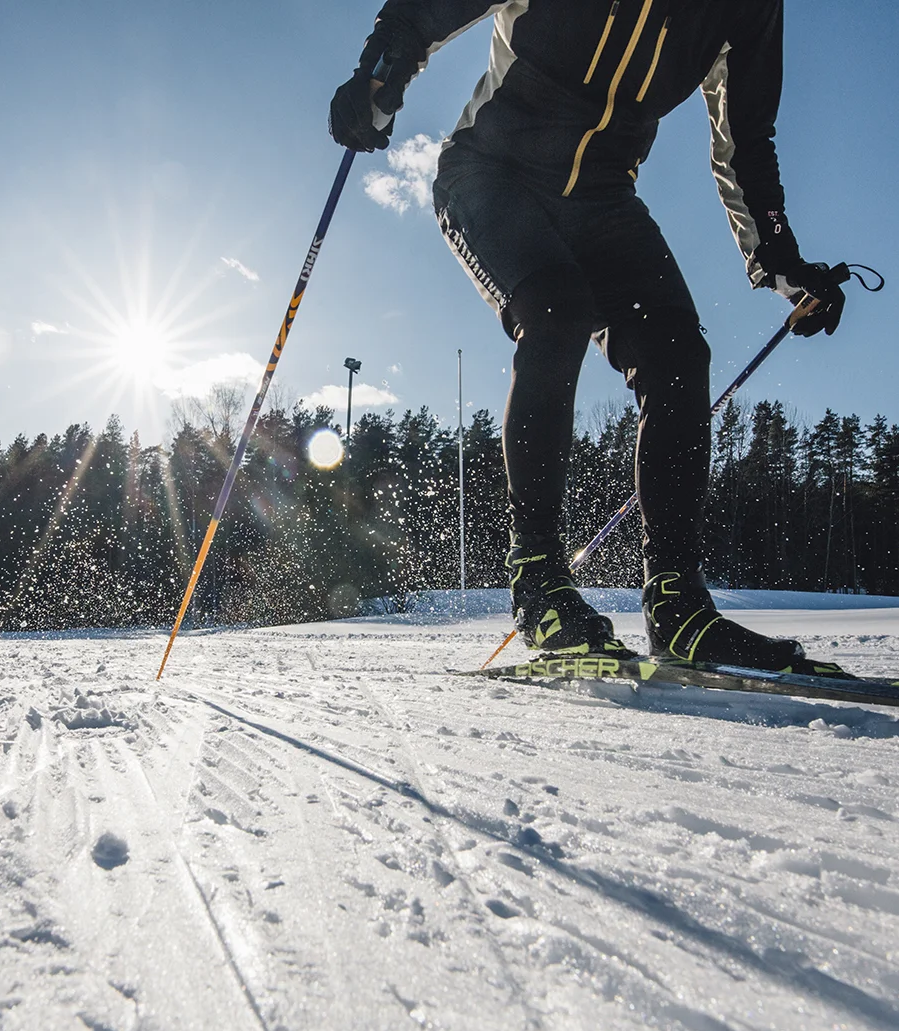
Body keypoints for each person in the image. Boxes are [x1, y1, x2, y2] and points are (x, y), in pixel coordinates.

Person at [330, 0, 849, 670]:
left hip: (602, 199)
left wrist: (781, 260)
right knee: (556, 310)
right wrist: (379, 78)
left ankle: (677, 605)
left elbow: (746, 135)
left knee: (678, 356)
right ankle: (539, 579)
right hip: (493, 171)